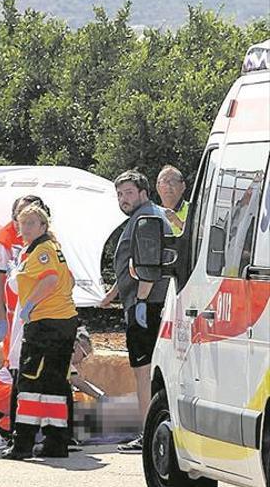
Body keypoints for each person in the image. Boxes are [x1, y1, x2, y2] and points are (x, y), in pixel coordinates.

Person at [98, 170, 171, 453]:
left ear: (143, 192)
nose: (123, 199)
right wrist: (112, 295)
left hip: (148, 307)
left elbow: (149, 268)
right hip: (145, 304)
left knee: (144, 373)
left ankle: (147, 433)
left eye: (128, 193)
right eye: (119, 194)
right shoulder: (143, 217)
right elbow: (135, 263)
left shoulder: (146, 219)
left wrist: (140, 301)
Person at [2, 203, 79, 460]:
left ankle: (22, 444)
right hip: (62, 321)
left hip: (46, 324)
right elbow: (70, 279)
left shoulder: (41, 251)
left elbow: (50, 280)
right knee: (55, 384)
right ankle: (56, 442)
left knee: (30, 382)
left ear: (43, 226)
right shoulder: (49, 248)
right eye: (22, 223)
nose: (25, 228)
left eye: (31, 223)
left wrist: (31, 304)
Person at [0, 195, 49, 434]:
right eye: (22, 217)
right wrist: (1, 316)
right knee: (16, 372)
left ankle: (19, 423)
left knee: (31, 373)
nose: (25, 222)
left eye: (33, 217)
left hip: (37, 316)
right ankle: (13, 420)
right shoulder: (6, 241)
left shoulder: (43, 246)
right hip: (18, 318)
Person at [156, 165, 189, 236]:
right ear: (158, 188)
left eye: (173, 181)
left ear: (183, 186)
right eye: (164, 182)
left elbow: (201, 235)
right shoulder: (154, 213)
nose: (168, 186)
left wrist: (179, 223)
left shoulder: (194, 210)